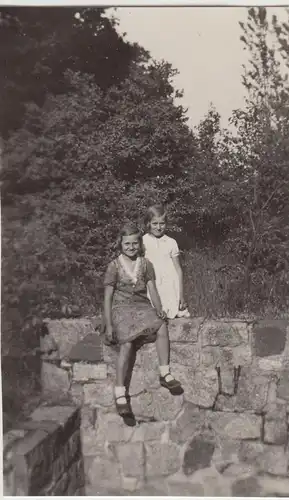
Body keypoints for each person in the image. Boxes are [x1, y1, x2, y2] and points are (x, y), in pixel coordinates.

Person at [102, 222, 183, 417]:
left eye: (134, 244)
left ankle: (165, 372)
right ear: (120, 244)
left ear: (140, 244)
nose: (131, 247)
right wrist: (109, 324)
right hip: (121, 309)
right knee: (127, 344)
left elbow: (152, 289)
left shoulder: (146, 264)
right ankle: (120, 391)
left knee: (161, 326)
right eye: (127, 244)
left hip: (142, 306)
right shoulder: (114, 266)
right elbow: (107, 297)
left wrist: (159, 308)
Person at [143, 204, 190, 320]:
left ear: (166, 224)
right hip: (152, 283)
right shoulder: (143, 241)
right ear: (148, 223)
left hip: (169, 284)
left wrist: (181, 295)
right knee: (154, 315)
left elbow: (178, 269)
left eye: (162, 223)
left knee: (173, 313)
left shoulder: (171, 242)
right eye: (154, 223)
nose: (158, 227)